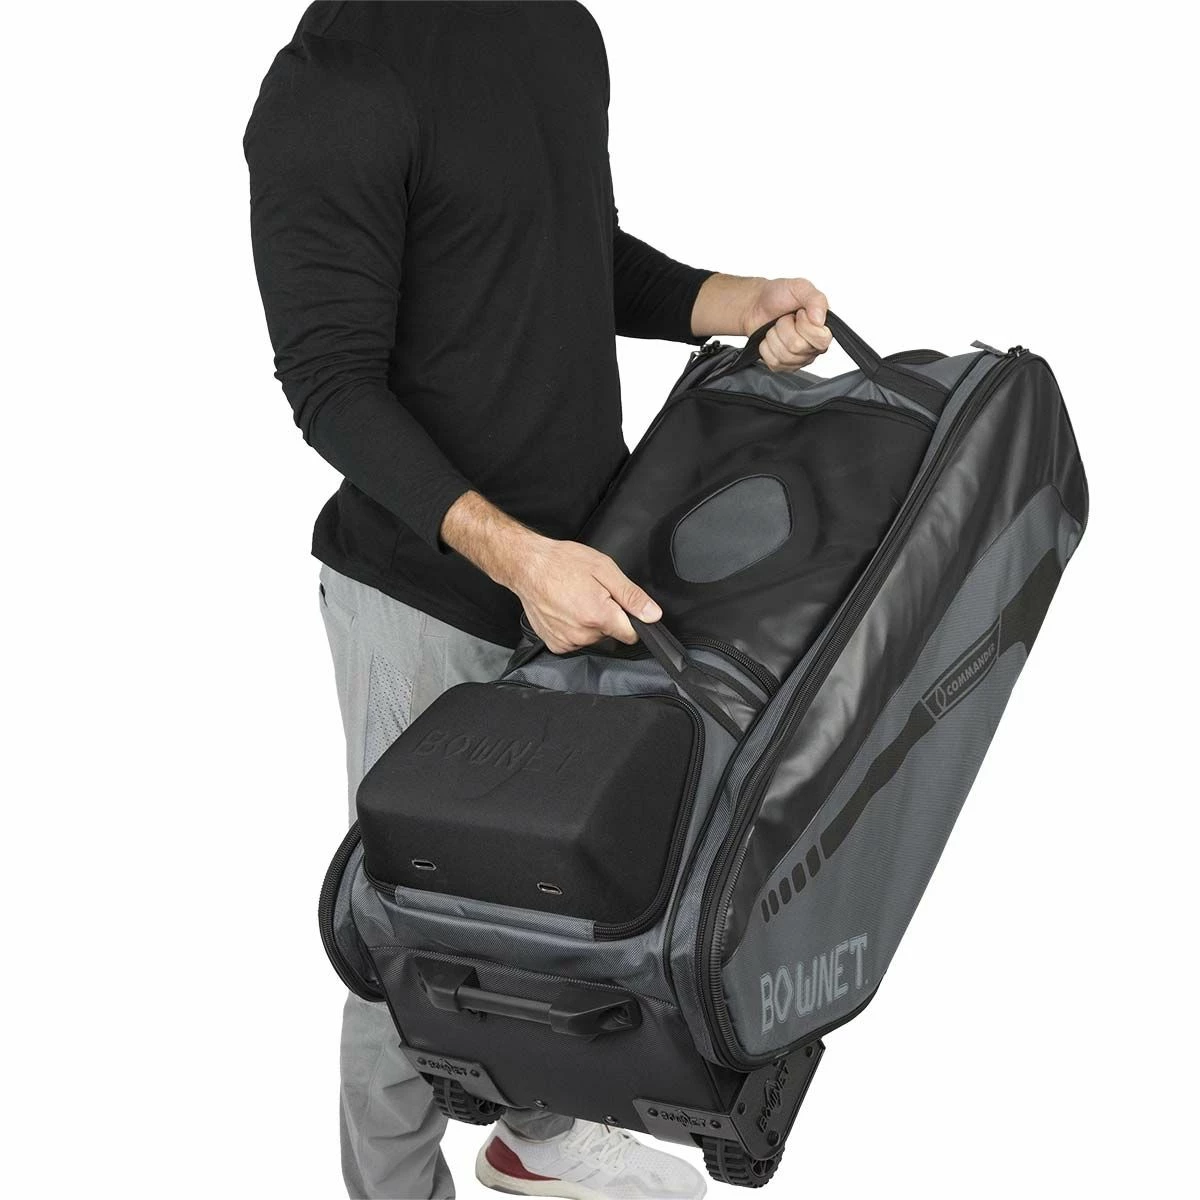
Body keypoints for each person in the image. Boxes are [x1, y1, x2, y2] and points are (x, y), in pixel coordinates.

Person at [245, 3, 830, 1197]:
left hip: (586, 564)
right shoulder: (338, 79)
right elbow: (329, 385)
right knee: (415, 931)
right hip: (426, 593)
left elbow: (570, 255)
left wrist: (737, 299)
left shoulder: (559, 30)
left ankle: (539, 1140)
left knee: (563, 894)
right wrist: (519, 561)